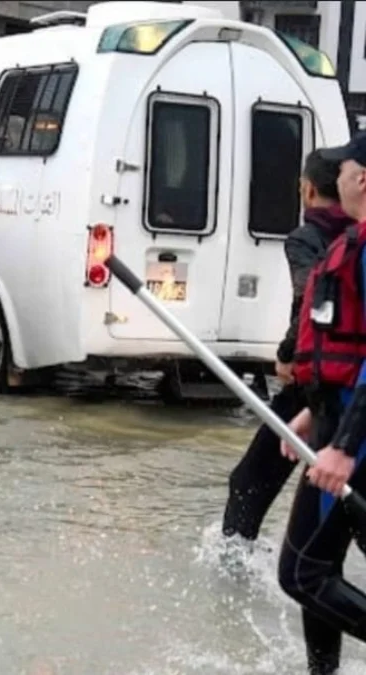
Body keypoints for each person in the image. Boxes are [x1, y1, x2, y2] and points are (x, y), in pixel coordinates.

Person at [223, 150, 356, 542]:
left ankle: (234, 568)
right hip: (346, 380)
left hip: (310, 377)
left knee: (249, 481)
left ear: (308, 189)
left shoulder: (307, 237)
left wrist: (286, 353)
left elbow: (311, 298)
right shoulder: (355, 234)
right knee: (329, 490)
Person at [278, 134, 366, 674]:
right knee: (308, 571)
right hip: (337, 425)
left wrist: (346, 446)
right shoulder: (350, 244)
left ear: (361, 179)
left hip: (354, 443)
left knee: (307, 571)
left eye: (346, 167)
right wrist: (317, 409)